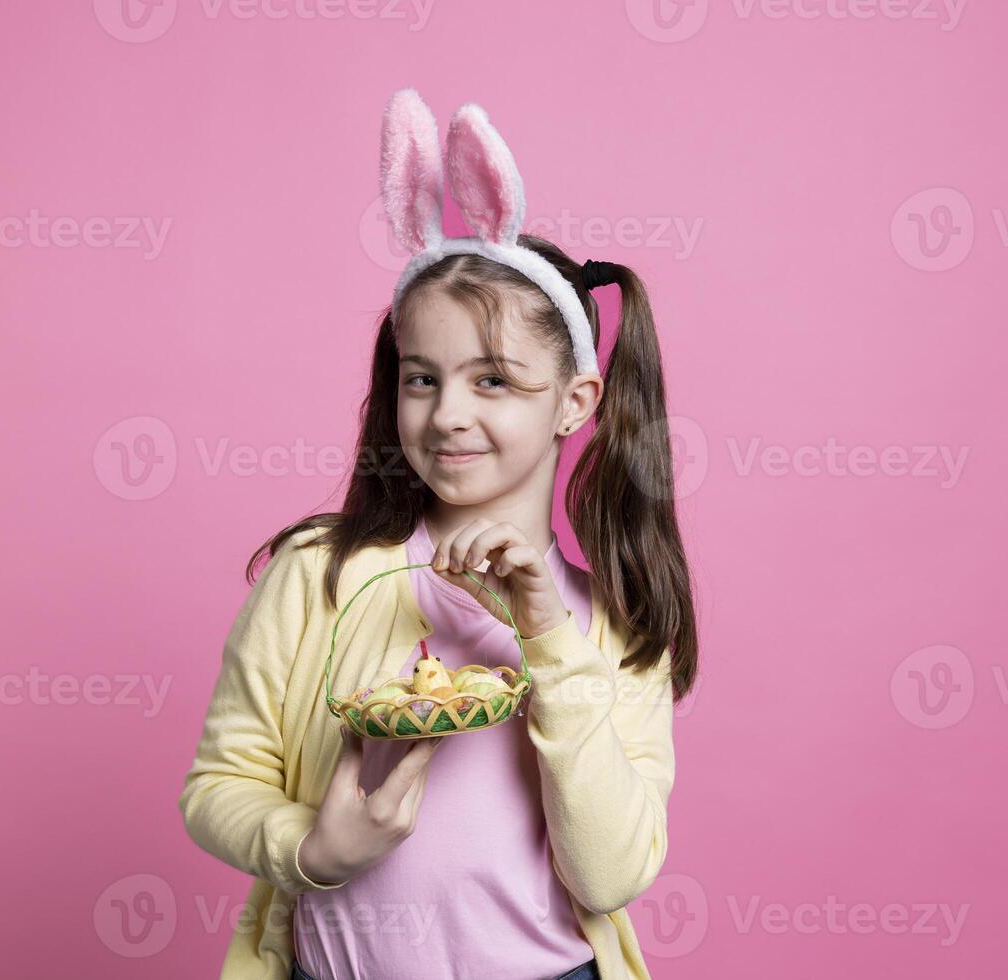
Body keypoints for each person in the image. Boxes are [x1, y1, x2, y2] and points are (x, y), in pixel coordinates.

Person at [178, 89, 698, 980]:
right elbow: (216, 786)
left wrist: (545, 635)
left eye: (493, 380)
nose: (448, 413)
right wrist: (311, 850)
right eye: (423, 378)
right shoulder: (321, 575)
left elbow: (609, 874)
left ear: (575, 401)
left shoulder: (615, 622)